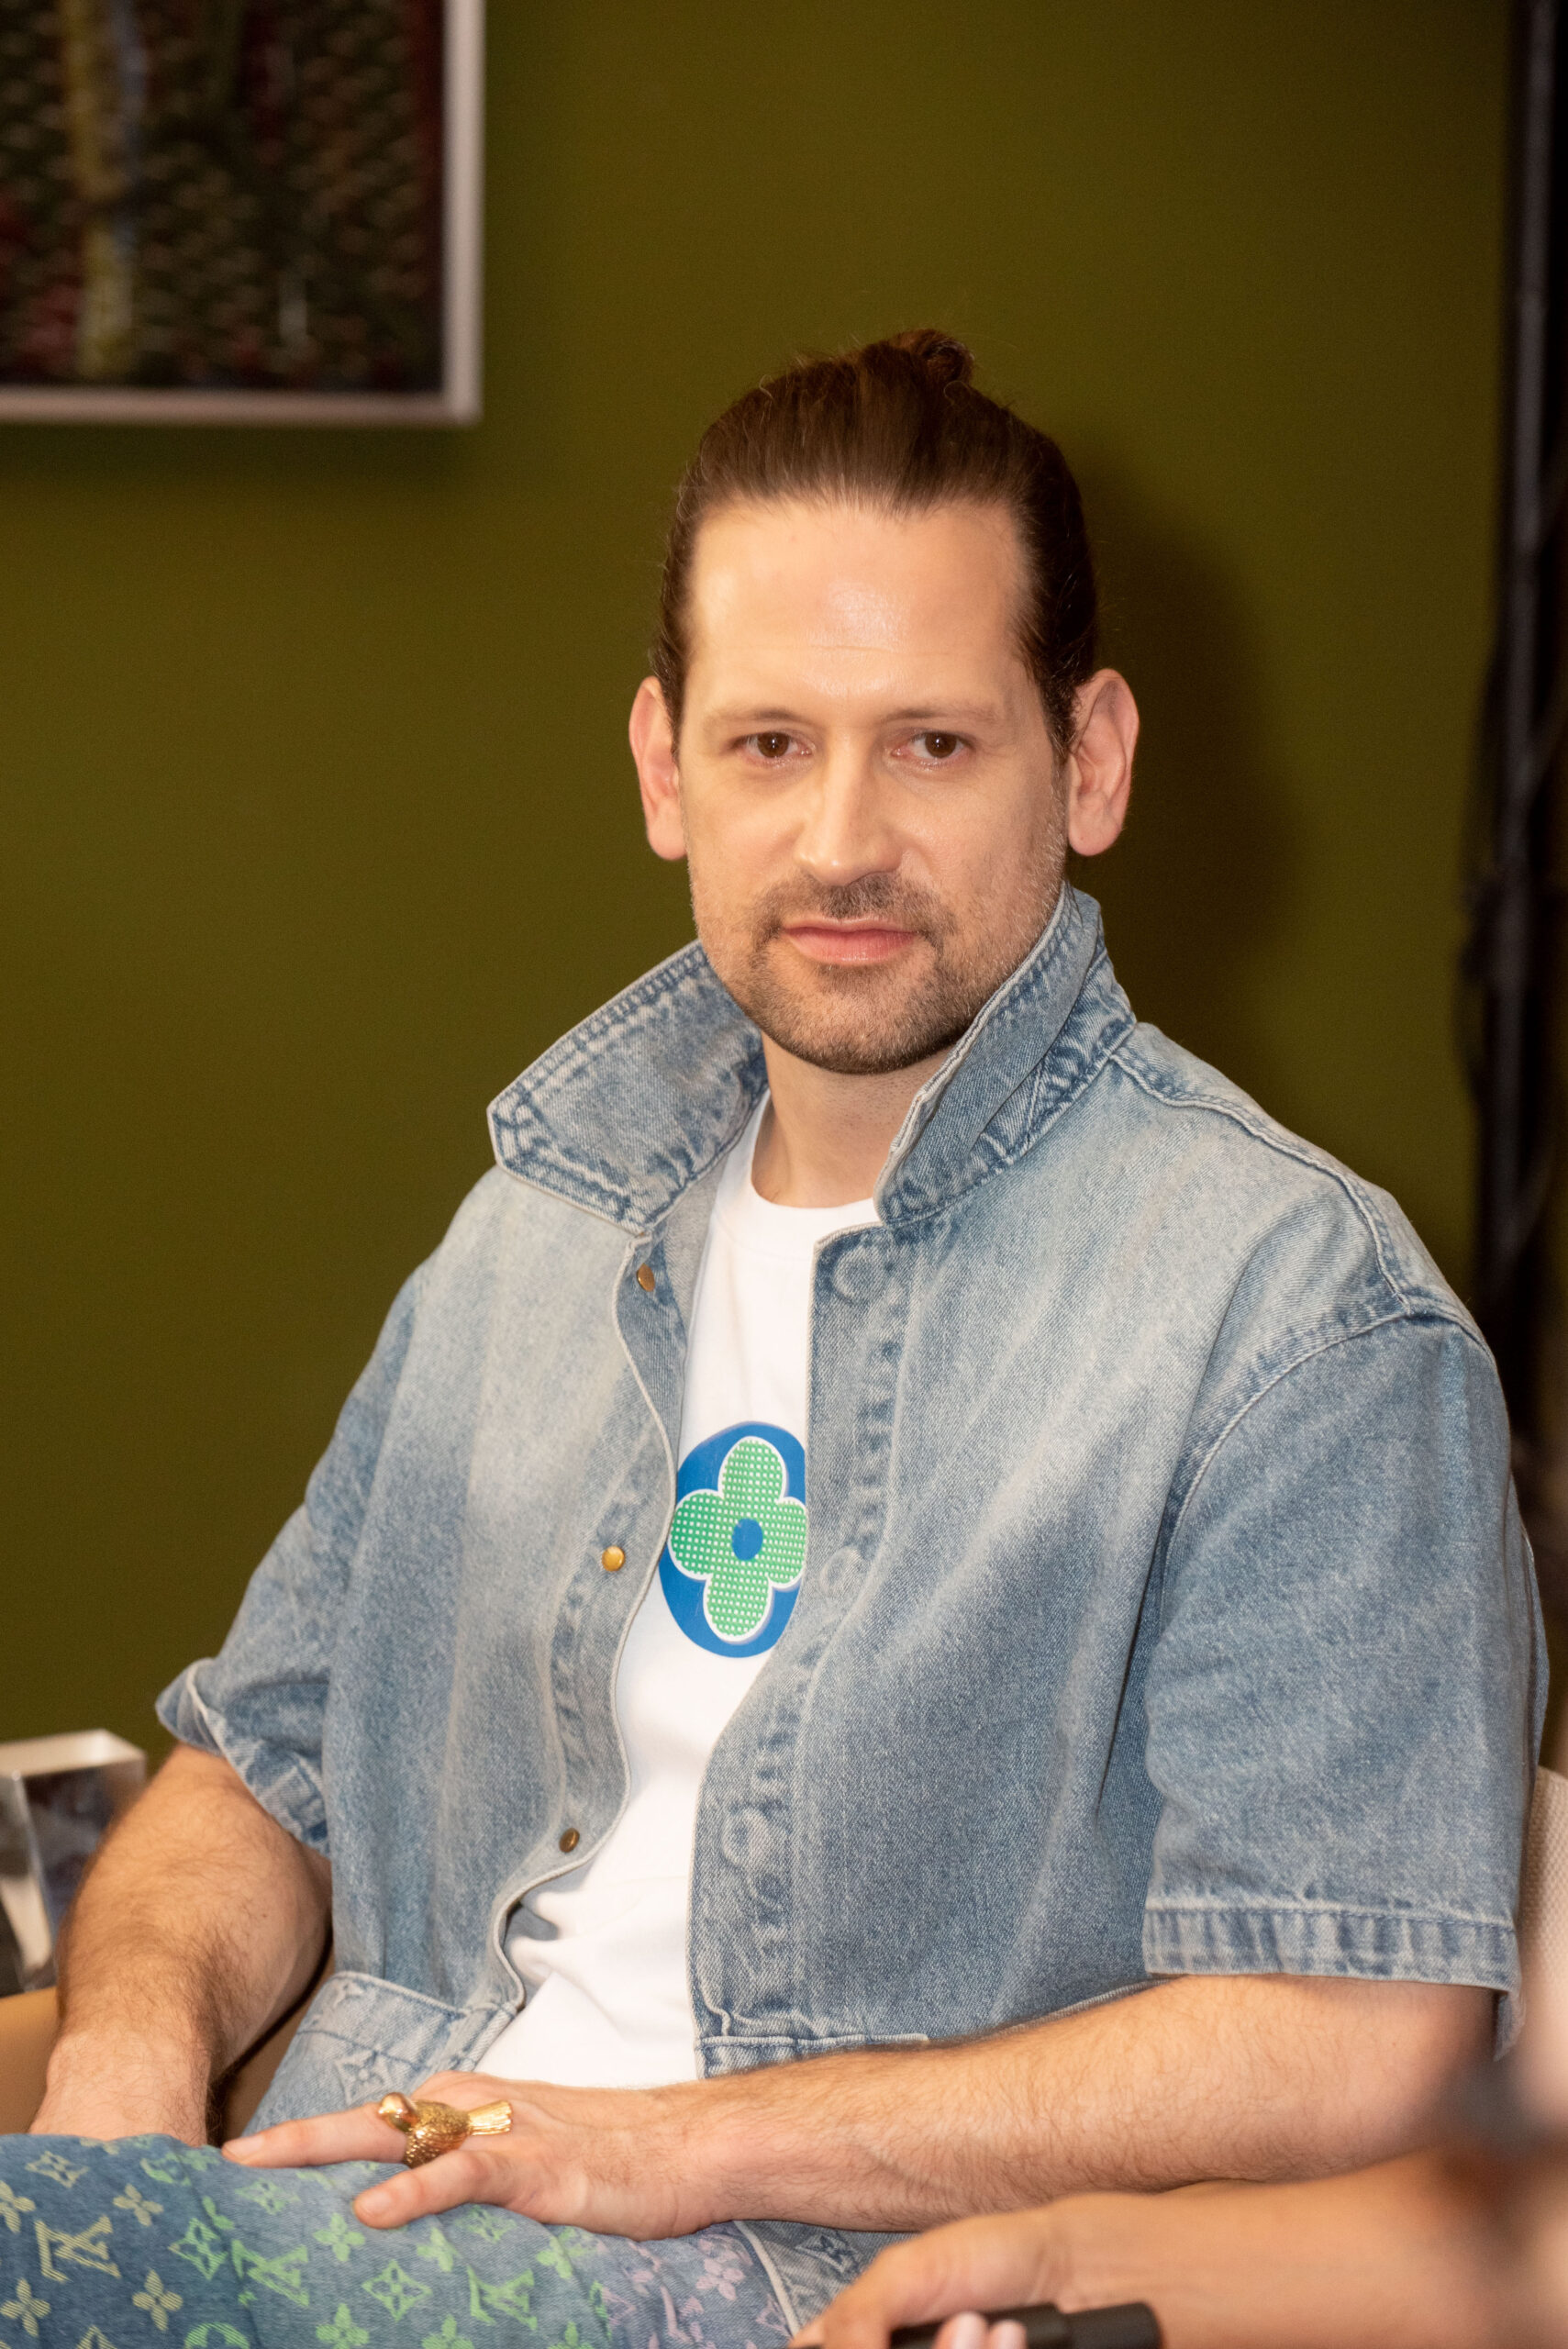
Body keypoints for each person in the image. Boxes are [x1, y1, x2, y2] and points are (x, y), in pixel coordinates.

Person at [11, 330, 1541, 2349]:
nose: (839, 841)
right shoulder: (535, 1230)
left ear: (1089, 759)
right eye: (767, 744)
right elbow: (260, 1769)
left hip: (789, 2278)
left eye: (934, 744)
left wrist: (681, 2142)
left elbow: (1351, 2033)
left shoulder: (1299, 1315)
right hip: (327, 2208)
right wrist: (121, 2074)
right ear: (664, 768)